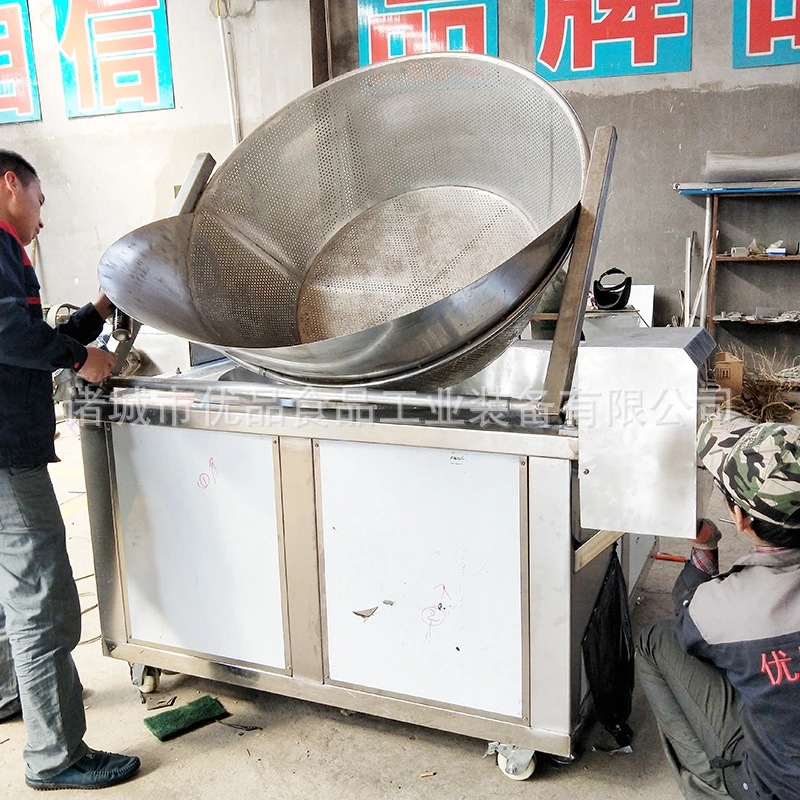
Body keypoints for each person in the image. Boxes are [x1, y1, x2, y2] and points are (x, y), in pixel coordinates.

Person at [0, 150, 141, 790]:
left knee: (10, 594)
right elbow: (9, 335)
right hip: (6, 456)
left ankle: (9, 691)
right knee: (45, 601)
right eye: (40, 197)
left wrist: (99, 310)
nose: (42, 215)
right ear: (10, 185)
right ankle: (57, 756)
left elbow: (25, 331)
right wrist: (82, 357)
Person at [637, 410, 800, 800]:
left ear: (740, 518)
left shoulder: (727, 606)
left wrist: (705, 547)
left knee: (655, 641)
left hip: (775, 789)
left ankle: (711, 787)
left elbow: (689, 625)